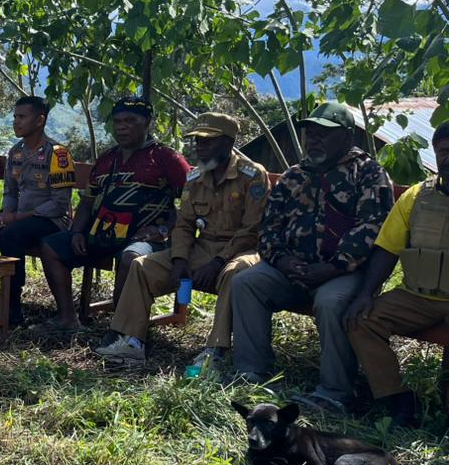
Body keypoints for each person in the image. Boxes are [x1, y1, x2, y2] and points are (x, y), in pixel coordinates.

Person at [228, 102, 393, 415]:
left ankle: (334, 392)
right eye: (310, 133)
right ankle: (252, 371)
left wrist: (331, 267)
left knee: (332, 302)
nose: (313, 140)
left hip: (344, 272)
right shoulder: (294, 176)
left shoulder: (368, 174)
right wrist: (283, 261)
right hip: (293, 269)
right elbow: (269, 228)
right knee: (246, 283)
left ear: (346, 136)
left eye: (324, 134)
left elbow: (372, 229)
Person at [94, 112, 268, 367]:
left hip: (242, 250)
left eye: (208, 141)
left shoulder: (252, 175)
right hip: (203, 246)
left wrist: (218, 261)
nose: (200, 146)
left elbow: (252, 229)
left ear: (228, 143)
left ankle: (215, 350)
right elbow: (185, 224)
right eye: (197, 140)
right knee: (142, 266)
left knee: (236, 273)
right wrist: (178, 259)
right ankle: (131, 341)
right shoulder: (196, 177)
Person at [32, 95, 189, 334]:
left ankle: (121, 330)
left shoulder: (166, 158)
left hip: (143, 239)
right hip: (103, 233)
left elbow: (191, 203)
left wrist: (163, 230)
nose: (122, 126)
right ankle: (67, 318)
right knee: (51, 246)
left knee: (131, 257)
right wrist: (76, 232)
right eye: (117, 121)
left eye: (130, 120)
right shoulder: (107, 158)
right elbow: (87, 202)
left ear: (147, 123)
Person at [345, 121, 449, 427]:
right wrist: (366, 294)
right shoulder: (416, 197)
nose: (448, 158)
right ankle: (398, 399)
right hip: (417, 297)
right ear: (435, 153)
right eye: (443, 151)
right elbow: (387, 248)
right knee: (361, 320)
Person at [0, 96, 77, 316]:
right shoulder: (15, 152)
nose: (16, 122)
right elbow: (10, 191)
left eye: (22, 117)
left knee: (11, 233)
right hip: (19, 218)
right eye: (14, 117)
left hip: (51, 221)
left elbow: (59, 204)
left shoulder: (57, 154)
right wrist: (7, 214)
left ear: (39, 121)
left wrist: (16, 218)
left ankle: (12, 305)